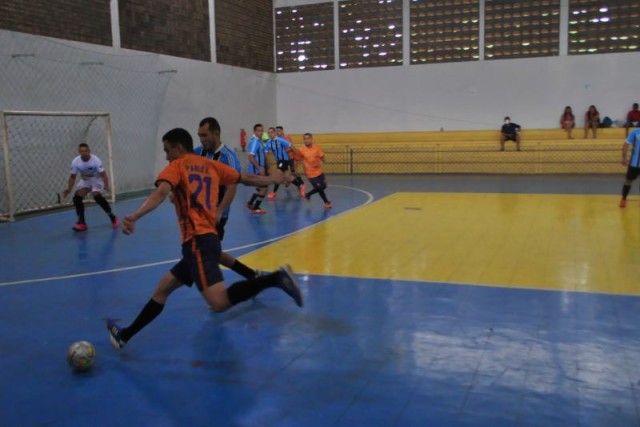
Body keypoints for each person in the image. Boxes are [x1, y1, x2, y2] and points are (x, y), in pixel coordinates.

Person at [106, 128, 302, 350]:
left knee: (218, 303)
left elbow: (160, 193)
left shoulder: (176, 166)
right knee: (163, 289)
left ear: (178, 148)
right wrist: (272, 178)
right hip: (207, 239)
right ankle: (124, 336)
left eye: (167, 150)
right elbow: (244, 178)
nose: (166, 156)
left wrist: (135, 215)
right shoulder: (210, 165)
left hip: (196, 242)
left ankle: (275, 279)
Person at [195, 117, 260, 281]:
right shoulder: (197, 152)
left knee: (206, 254)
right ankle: (252, 275)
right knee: (213, 253)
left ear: (216, 133)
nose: (202, 140)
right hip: (198, 214)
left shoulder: (228, 157)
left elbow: (232, 186)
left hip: (217, 215)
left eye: (205, 135)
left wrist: (220, 211)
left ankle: (218, 294)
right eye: (199, 136)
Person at [62, 143, 118, 231]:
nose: (84, 153)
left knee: (97, 196)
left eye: (86, 151)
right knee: (77, 198)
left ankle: (113, 217)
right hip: (85, 180)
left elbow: (103, 175)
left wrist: (106, 185)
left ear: (89, 151)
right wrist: (69, 189)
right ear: (79, 152)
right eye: (81, 151)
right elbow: (72, 177)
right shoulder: (75, 162)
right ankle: (82, 223)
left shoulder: (96, 160)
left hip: (96, 179)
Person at [291, 133, 332, 209]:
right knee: (319, 189)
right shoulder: (301, 150)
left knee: (324, 186)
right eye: (305, 139)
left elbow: (321, 156)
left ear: (311, 139)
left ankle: (308, 194)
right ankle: (326, 202)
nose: (306, 140)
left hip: (319, 171)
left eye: (308, 138)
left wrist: (323, 160)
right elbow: (296, 159)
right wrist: (295, 169)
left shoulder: (317, 147)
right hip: (310, 173)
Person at [265, 126, 298, 199]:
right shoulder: (269, 142)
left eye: (272, 132)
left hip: (284, 160)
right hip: (278, 161)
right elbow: (266, 152)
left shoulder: (280, 140)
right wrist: (266, 163)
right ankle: (300, 186)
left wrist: (298, 155)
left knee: (278, 175)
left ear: (275, 133)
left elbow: (291, 146)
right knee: (287, 177)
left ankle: (274, 192)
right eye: (269, 133)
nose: (270, 134)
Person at [276, 125, 306, 197]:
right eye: (276, 131)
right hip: (283, 159)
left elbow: (291, 147)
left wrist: (284, 151)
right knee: (283, 171)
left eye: (279, 131)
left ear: (282, 131)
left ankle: (301, 184)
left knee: (294, 171)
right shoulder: (277, 139)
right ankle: (289, 181)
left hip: (290, 157)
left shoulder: (286, 137)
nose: (277, 132)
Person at [246, 124, 268, 214]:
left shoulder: (259, 141)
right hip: (257, 170)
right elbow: (251, 157)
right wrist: (259, 168)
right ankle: (256, 208)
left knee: (260, 188)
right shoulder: (255, 141)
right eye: (258, 131)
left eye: (262, 130)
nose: (261, 132)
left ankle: (250, 203)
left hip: (258, 169)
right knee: (264, 188)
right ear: (254, 131)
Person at [619, 127, 640, 208]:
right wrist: (624, 158)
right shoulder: (635, 132)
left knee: (628, 181)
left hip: (634, 163)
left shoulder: (636, 132)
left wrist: (624, 158)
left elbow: (625, 145)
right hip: (634, 163)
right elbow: (626, 144)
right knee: (628, 181)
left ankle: (623, 199)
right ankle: (623, 199)